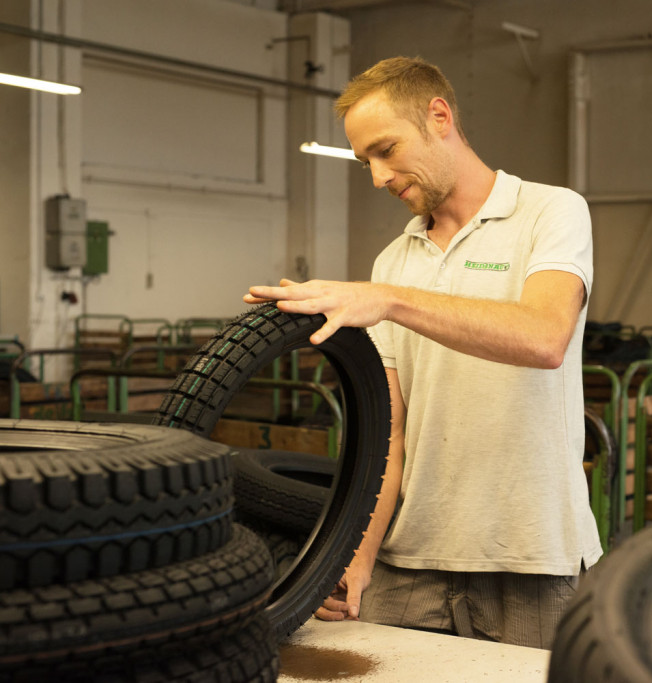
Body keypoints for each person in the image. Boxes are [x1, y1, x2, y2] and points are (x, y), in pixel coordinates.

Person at [243, 56, 602, 649]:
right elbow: (391, 433)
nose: (378, 177)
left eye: (386, 150)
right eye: (365, 162)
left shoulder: (549, 211)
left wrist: (386, 300)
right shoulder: (395, 260)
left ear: (440, 117)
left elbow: (544, 339)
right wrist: (355, 558)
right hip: (408, 560)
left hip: (533, 555)